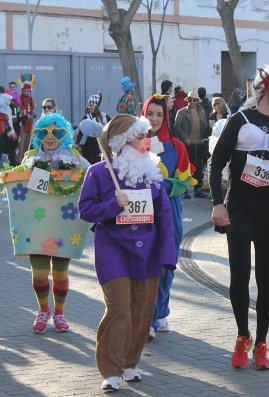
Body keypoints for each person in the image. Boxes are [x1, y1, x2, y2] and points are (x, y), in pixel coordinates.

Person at [78, 114, 176, 391]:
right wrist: (112, 203)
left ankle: (130, 363)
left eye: (147, 135)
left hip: (148, 254)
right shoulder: (98, 172)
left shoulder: (153, 173)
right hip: (114, 251)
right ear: (124, 142)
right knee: (119, 308)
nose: (147, 140)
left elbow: (165, 217)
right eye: (141, 136)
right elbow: (85, 210)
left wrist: (168, 255)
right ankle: (111, 370)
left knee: (143, 310)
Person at [210, 65, 269, 371]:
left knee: (266, 279)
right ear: (266, 87)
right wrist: (218, 203)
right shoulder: (239, 120)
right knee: (240, 275)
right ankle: (242, 336)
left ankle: (261, 343)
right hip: (240, 205)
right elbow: (216, 163)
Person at [18, 113, 90, 333]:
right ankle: (43, 310)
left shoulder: (74, 156)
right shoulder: (30, 157)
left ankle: (59, 313)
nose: (50, 137)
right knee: (39, 274)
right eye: (43, 133)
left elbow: (90, 176)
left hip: (63, 225)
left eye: (56, 132)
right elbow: (18, 182)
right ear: (38, 135)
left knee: (60, 273)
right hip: (36, 225)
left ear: (64, 134)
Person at [142, 94, 196, 338]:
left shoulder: (176, 146)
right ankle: (148, 318)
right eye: (149, 113)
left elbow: (185, 182)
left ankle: (160, 310)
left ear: (166, 117)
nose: (154, 119)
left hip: (168, 210)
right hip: (141, 212)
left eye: (159, 114)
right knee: (145, 262)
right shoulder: (133, 143)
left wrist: (163, 186)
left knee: (167, 261)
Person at [174, 90, 210, 198]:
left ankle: (198, 189)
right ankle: (184, 190)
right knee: (186, 167)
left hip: (200, 143)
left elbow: (205, 126)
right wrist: (185, 138)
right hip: (188, 144)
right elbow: (177, 127)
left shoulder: (202, 111)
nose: (192, 102)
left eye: (194, 100)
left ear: (198, 101)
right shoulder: (182, 112)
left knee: (199, 167)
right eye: (190, 100)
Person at [77, 93, 110, 164]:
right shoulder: (87, 116)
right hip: (89, 147)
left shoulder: (104, 116)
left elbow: (110, 127)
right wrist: (77, 143)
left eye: (91, 105)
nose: (89, 107)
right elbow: (81, 131)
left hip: (101, 145)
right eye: (89, 105)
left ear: (96, 105)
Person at [16, 75, 36, 163]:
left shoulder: (31, 99)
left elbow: (33, 110)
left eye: (28, 91)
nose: (27, 92)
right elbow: (18, 111)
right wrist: (24, 116)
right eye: (25, 91)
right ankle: (18, 162)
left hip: (30, 125)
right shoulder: (19, 99)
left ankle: (25, 162)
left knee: (27, 145)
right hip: (22, 125)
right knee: (21, 144)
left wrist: (32, 115)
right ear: (22, 90)